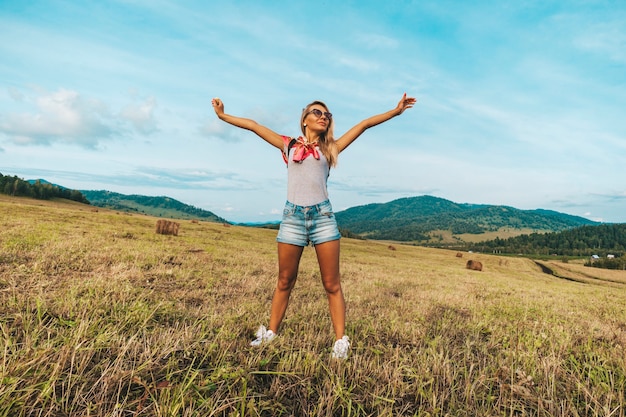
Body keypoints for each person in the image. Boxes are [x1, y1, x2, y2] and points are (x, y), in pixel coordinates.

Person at [211, 93, 416, 359]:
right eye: (317, 113)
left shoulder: (330, 148)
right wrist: (223, 116)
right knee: (285, 280)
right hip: (292, 218)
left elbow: (364, 124)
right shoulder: (289, 145)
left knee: (332, 284)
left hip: (323, 219)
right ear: (305, 120)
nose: (323, 117)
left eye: (327, 115)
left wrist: (395, 111)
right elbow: (254, 126)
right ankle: (271, 333)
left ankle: (341, 340)